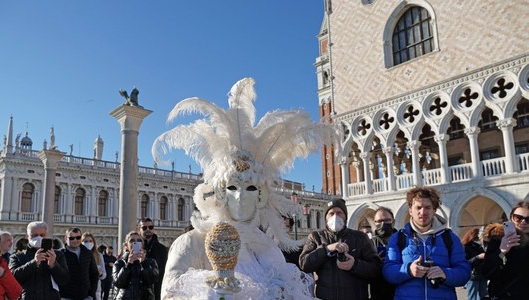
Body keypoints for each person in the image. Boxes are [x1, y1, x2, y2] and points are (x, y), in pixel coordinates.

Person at [155, 78, 335, 299]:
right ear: (220, 193)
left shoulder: (268, 249)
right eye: (232, 187)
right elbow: (170, 295)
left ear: (261, 197)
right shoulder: (192, 243)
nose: (240, 195)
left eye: (250, 188)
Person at [383, 187, 470, 300]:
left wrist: (445, 273)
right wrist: (408, 270)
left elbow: (465, 272)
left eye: (428, 207)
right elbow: (388, 272)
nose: (423, 212)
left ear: (434, 210)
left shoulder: (449, 238)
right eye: (418, 207)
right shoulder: (398, 238)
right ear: (410, 210)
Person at [299, 199, 382, 299]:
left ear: (345, 217)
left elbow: (376, 269)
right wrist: (326, 249)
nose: (335, 217)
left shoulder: (360, 238)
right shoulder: (315, 237)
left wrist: (354, 265)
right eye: (331, 213)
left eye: (339, 213)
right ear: (326, 217)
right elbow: (304, 264)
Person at [10, 221, 69, 300]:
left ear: (46, 235)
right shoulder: (17, 256)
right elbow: (13, 278)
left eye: (42, 235)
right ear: (28, 236)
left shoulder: (57, 255)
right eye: (34, 235)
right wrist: (34, 263)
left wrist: (54, 265)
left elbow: (64, 280)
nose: (38, 238)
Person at [482, 201, 529, 300]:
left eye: (528, 219)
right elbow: (487, 272)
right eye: (518, 218)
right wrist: (501, 251)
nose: (523, 222)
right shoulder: (498, 239)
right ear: (511, 218)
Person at [113, 231, 159, 300]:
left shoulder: (151, 262)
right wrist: (128, 265)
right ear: (126, 245)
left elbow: (153, 280)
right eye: (132, 241)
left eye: (139, 240)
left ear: (142, 245)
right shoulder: (119, 263)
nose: (135, 242)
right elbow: (118, 283)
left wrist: (144, 263)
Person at [60, 227, 98, 300]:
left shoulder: (88, 253)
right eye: (72, 238)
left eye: (78, 237)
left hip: (85, 296)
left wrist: (91, 295)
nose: (75, 240)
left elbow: (94, 274)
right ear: (66, 238)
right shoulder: (60, 254)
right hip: (66, 296)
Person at [369, 206, 396, 300]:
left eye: (387, 220)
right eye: (379, 221)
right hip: (377, 292)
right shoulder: (369, 243)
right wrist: (376, 263)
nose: (383, 223)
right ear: (375, 223)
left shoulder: (403, 240)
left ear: (393, 222)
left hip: (399, 292)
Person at [138, 218, 168, 299]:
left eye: (150, 227)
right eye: (144, 228)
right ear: (139, 230)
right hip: (138, 291)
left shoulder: (162, 249)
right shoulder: (134, 248)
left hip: (156, 291)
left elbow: (164, 272)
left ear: (153, 229)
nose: (148, 229)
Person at [461, 227, 487, 300]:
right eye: (478, 235)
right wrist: (478, 257)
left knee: (484, 295)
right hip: (473, 275)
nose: (479, 238)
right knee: (472, 296)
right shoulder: (465, 247)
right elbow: (466, 262)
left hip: (482, 274)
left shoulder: (479, 246)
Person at [82, 232, 106, 300]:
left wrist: (100, 274)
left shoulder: (99, 255)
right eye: (85, 241)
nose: (88, 243)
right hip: (81, 289)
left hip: (95, 290)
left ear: (93, 242)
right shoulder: (79, 255)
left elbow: (104, 275)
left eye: (90, 241)